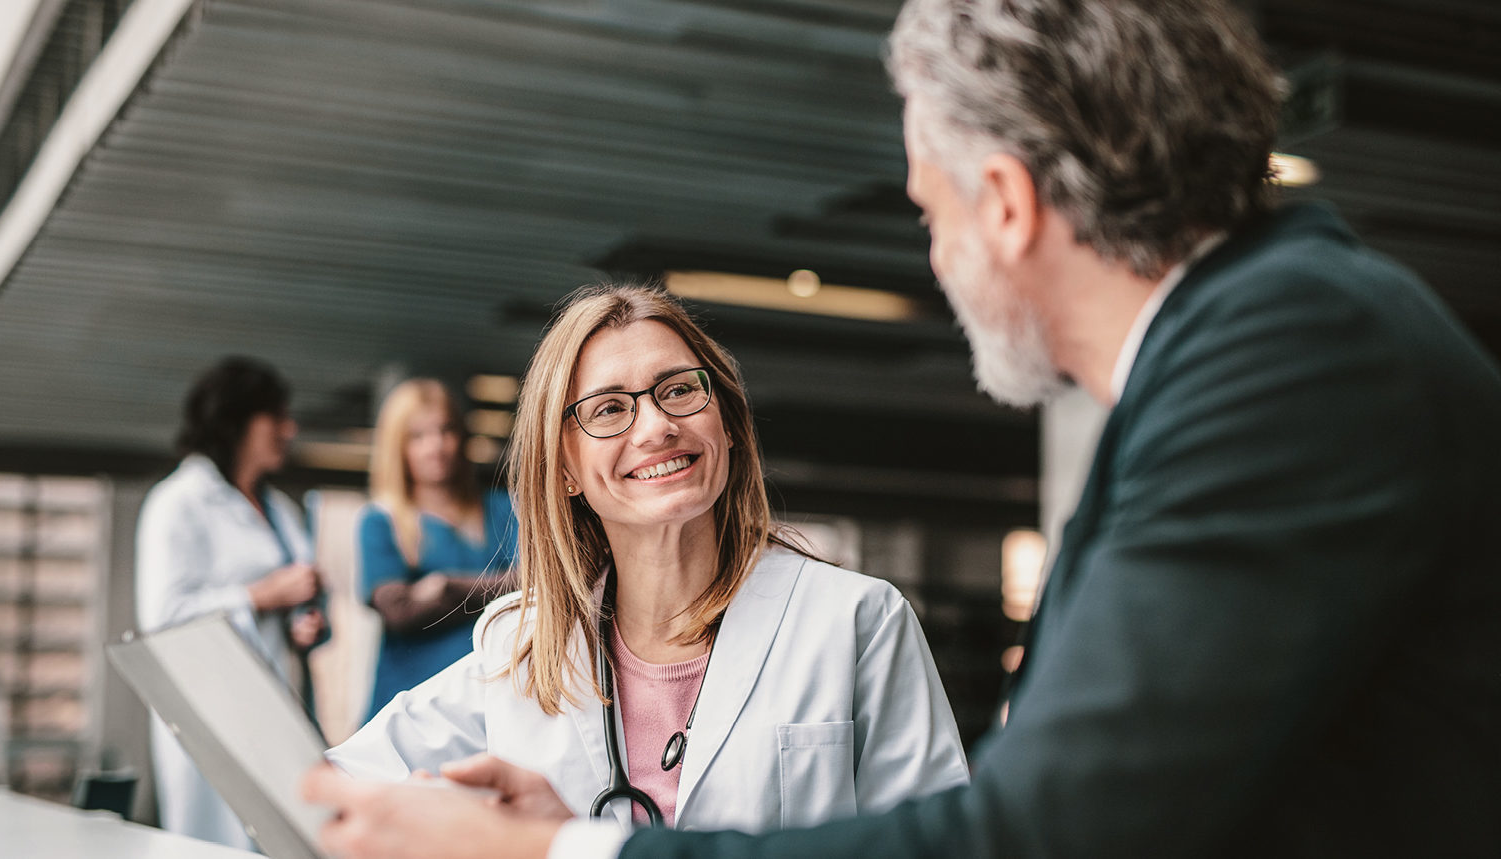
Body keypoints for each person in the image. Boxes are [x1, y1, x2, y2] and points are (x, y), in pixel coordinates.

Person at [303, 0, 1501, 856]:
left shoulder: (1285, 355)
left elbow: (1044, 829)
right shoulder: (1258, 341)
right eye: (605, 410)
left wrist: (561, 855)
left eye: (929, 212)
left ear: (1006, 203)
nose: (934, 258)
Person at [322, 284, 968, 833]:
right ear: (566, 467)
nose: (655, 426)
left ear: (728, 425)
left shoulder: (857, 621)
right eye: (608, 408)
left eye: (680, 390)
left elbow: (940, 846)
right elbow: (328, 788)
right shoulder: (519, 645)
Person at [137, 356, 328, 850]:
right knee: (212, 844)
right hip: (209, 707)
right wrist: (262, 596)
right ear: (237, 421)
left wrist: (304, 623)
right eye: (277, 417)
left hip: (277, 703)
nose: (290, 429)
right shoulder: (177, 503)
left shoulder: (281, 509)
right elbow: (162, 618)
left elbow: (299, 599)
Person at [359, 378, 520, 721]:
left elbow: (536, 584)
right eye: (418, 436)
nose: (437, 446)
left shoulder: (503, 508)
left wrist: (446, 588)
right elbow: (399, 611)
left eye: (446, 430)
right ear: (397, 446)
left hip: (494, 697)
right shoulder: (380, 521)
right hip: (412, 703)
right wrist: (497, 588)